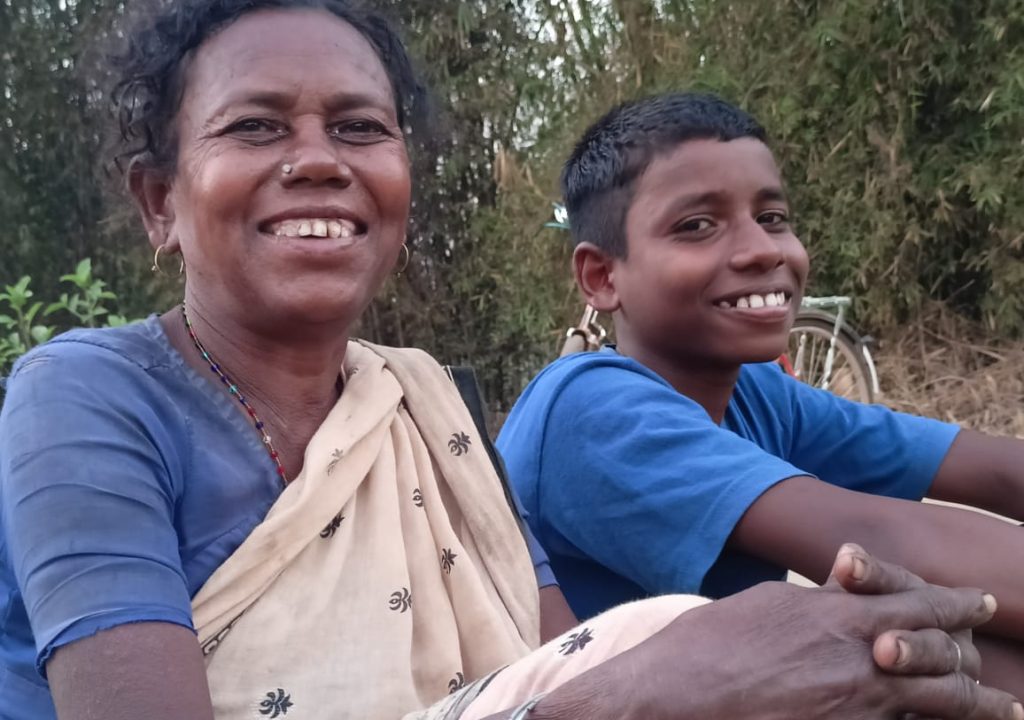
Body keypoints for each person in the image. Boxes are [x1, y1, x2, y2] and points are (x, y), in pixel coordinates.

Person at [0, 4, 1019, 719]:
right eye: (255, 126)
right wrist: (662, 684)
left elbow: (553, 663)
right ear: (159, 202)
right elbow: (603, 693)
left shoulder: (422, 405)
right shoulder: (90, 396)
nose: (317, 158)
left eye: (359, 126)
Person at [496, 91, 1024, 694]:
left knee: (941, 640)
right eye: (696, 226)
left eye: (772, 218)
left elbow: (994, 470)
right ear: (602, 276)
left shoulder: (758, 392)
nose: (763, 249)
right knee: (897, 637)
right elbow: (884, 540)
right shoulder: (589, 410)